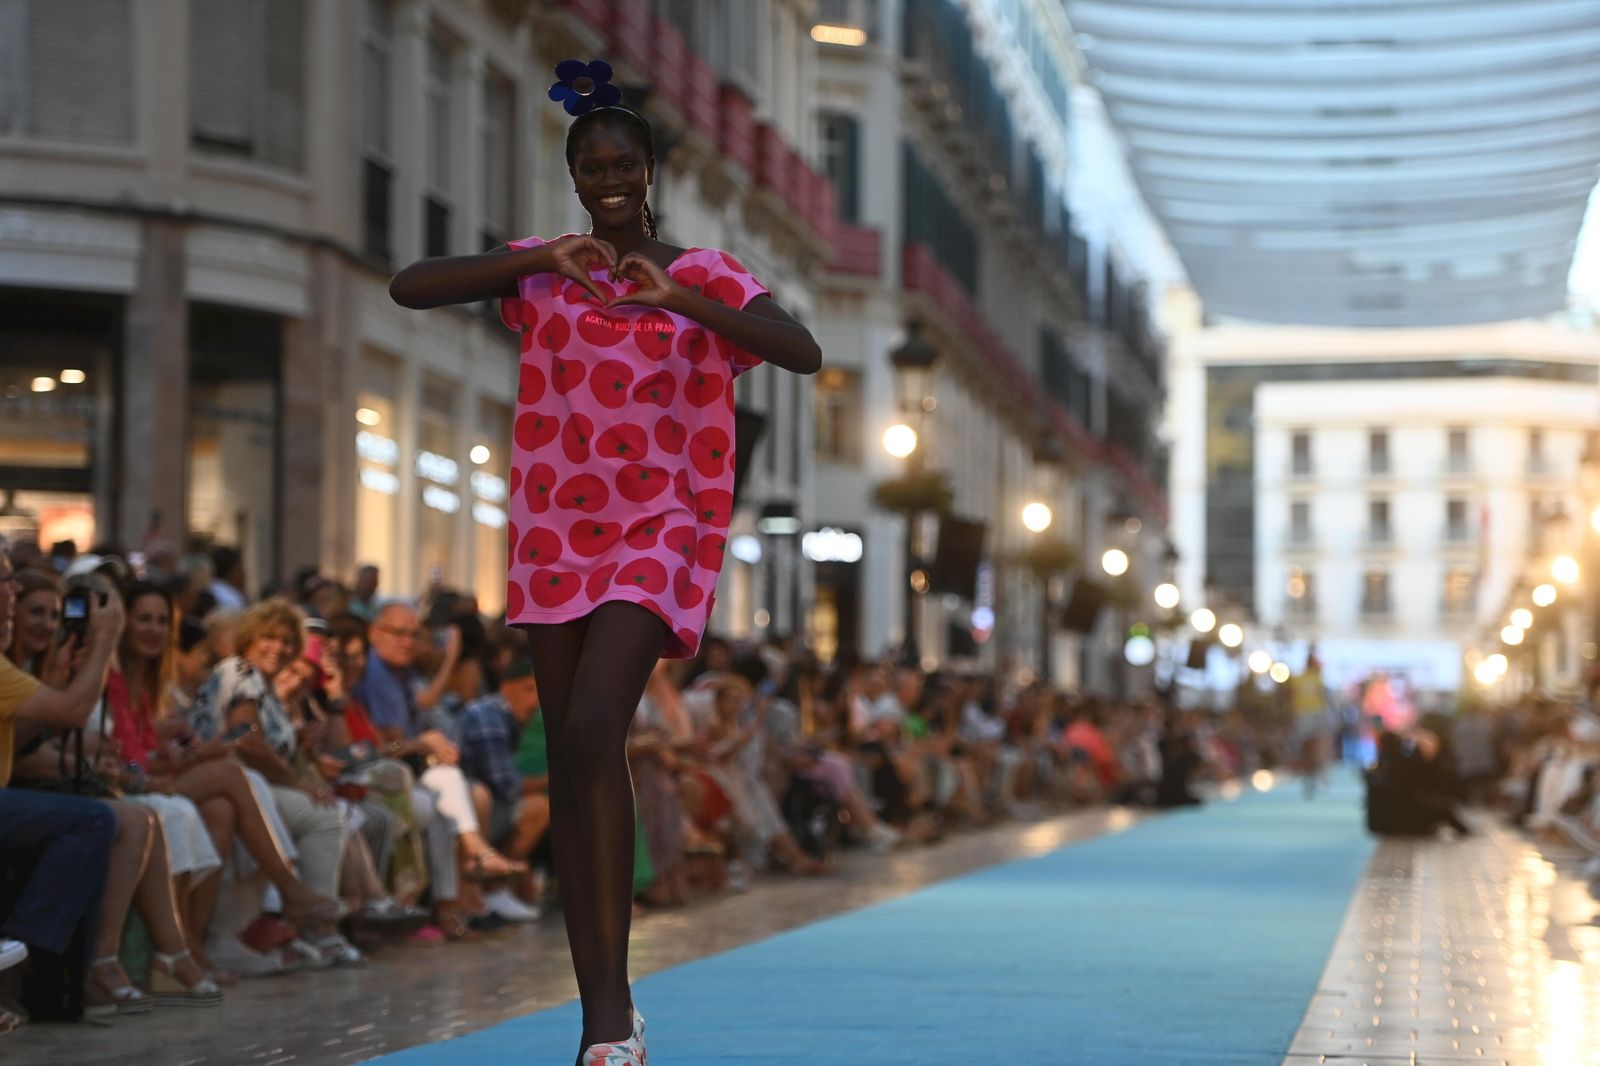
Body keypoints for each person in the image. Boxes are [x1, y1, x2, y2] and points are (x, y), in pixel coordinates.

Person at [388, 58, 822, 1066]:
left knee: (593, 730)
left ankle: (606, 1016)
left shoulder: (703, 273)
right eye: (594, 167)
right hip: (553, 532)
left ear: (651, 169)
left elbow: (795, 349)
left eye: (626, 163)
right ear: (577, 177)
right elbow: (411, 288)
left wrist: (682, 303)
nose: (611, 179)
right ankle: (607, 1014)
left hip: (661, 526)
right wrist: (533, 264)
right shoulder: (542, 266)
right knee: (581, 761)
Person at [456, 659, 550, 922]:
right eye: (528, 690)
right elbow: (507, 788)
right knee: (539, 808)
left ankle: (498, 889)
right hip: (466, 810)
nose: (535, 701)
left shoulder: (509, 717)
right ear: (505, 688)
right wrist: (559, 777)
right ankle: (493, 890)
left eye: (540, 692)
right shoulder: (488, 716)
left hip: (478, 807)